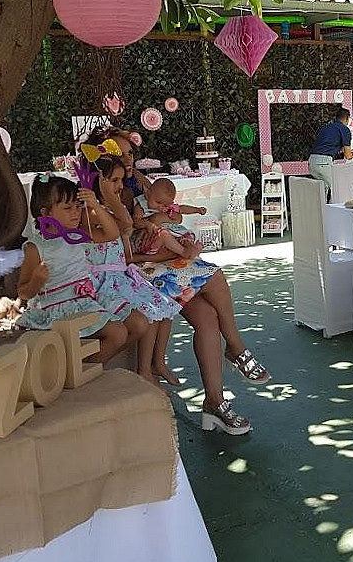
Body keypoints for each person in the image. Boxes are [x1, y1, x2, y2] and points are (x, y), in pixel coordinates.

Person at [95, 129, 271, 435]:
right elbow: (122, 257)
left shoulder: (139, 186)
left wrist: (174, 241)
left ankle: (215, 401)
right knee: (212, 277)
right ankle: (235, 348)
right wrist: (170, 251)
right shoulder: (103, 203)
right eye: (119, 155)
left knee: (208, 315)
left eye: (130, 153)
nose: (127, 160)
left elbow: (170, 216)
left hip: (164, 266)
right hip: (142, 272)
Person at [17, 173, 179, 386]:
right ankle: (77, 374)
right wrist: (37, 280)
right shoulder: (35, 248)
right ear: (46, 213)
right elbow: (23, 292)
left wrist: (94, 204)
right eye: (68, 208)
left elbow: (112, 234)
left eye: (77, 207)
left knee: (129, 329)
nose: (76, 213)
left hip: (84, 301)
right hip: (56, 306)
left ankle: (80, 370)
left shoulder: (76, 235)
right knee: (118, 333)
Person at [132, 178, 206, 259]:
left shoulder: (168, 206)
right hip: (147, 240)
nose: (161, 207)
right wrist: (147, 224)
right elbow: (135, 221)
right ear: (148, 194)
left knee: (186, 235)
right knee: (164, 235)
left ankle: (191, 250)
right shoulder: (142, 206)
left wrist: (197, 210)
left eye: (165, 205)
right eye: (158, 202)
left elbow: (182, 208)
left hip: (169, 239)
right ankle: (184, 252)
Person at [308, 107, 353, 198]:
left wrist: (342, 151)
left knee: (323, 189)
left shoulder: (326, 128)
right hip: (324, 163)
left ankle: (321, 206)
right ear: (347, 118)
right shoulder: (345, 130)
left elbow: (327, 146)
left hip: (312, 162)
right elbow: (347, 155)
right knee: (337, 188)